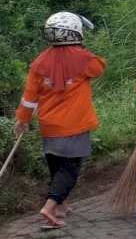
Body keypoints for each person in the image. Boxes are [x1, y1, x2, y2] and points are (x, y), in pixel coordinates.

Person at [14, 13, 105, 230]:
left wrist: (22, 120)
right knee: (69, 170)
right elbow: (100, 69)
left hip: (49, 126)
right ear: (75, 31)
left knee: (56, 165)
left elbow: (29, 97)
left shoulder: (39, 62)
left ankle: (61, 205)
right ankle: (50, 207)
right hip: (75, 125)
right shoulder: (84, 60)